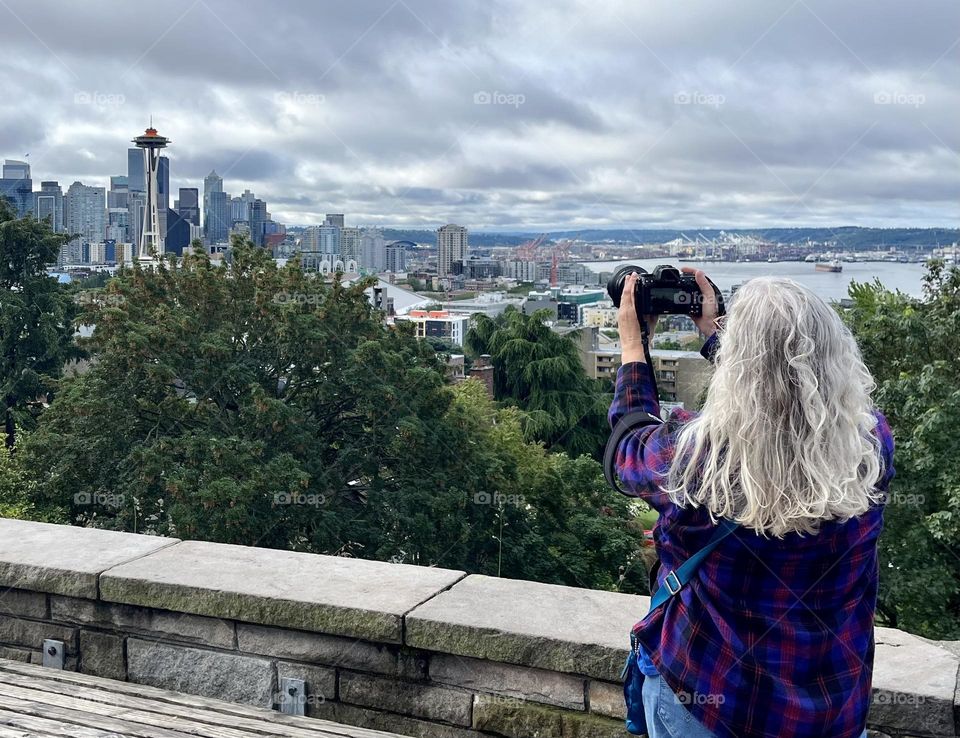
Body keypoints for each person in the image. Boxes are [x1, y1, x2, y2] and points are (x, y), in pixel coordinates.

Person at [610, 268, 895, 738]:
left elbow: (627, 449)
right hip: (832, 709)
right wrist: (716, 330)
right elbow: (787, 398)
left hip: (711, 700)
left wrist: (634, 347)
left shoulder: (699, 459)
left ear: (736, 363)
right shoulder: (868, 446)